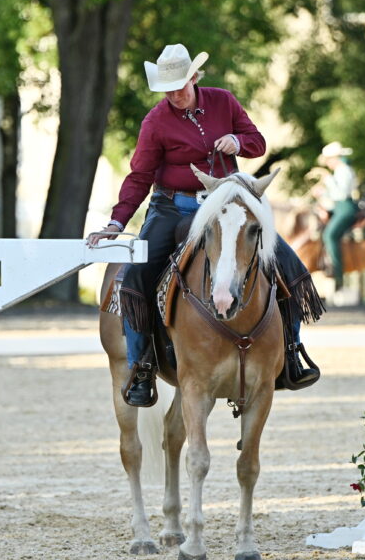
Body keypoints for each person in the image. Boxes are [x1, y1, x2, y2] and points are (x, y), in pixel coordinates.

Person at [87, 44, 323, 407]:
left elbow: (257, 144)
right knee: (136, 277)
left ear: (194, 78)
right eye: (167, 89)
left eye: (180, 85)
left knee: (289, 266)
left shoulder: (223, 102)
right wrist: (117, 222)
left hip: (231, 202)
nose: (175, 94)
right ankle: (142, 368)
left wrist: (238, 141)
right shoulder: (155, 122)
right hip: (173, 207)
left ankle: (290, 352)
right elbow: (139, 176)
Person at [315, 142, 358, 298]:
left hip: (345, 208)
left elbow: (341, 194)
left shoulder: (343, 171)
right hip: (339, 206)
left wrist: (327, 181)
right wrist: (322, 194)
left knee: (330, 235)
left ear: (335, 158)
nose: (327, 163)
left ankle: (338, 274)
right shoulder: (339, 171)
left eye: (328, 159)